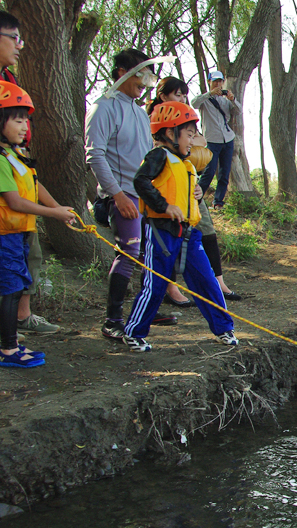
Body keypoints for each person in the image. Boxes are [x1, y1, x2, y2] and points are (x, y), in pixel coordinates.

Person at [122, 101, 238, 352]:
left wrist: (195, 192)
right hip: (162, 232)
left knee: (206, 280)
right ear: (169, 133)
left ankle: (224, 328)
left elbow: (180, 189)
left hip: (189, 235)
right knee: (156, 284)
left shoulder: (185, 163)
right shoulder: (159, 156)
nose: (193, 140)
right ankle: (134, 332)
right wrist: (164, 206)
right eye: (188, 134)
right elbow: (141, 181)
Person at [85, 49, 177, 341]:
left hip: (145, 198)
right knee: (128, 252)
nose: (145, 81)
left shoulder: (139, 112)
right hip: (121, 197)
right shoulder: (103, 108)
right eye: (140, 73)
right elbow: (95, 156)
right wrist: (118, 196)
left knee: (150, 255)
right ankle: (112, 320)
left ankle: (146, 309)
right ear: (122, 70)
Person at [0, 81, 78, 367]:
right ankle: (8, 349)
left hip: (17, 233)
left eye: (26, 120)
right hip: (5, 235)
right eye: (18, 119)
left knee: (16, 286)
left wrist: (58, 207)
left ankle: (9, 343)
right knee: (9, 289)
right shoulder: (0, 159)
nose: (24, 126)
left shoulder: (15, 156)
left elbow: (34, 185)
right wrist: (54, 214)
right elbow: (15, 202)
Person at [147, 77, 241, 306]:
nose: (182, 99)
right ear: (163, 96)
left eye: (183, 95)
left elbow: (200, 141)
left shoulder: (185, 117)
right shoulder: (155, 122)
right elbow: (146, 174)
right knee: (167, 243)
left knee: (207, 231)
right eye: (177, 95)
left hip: (191, 187)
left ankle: (219, 282)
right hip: (167, 194)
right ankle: (171, 289)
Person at [0, 10, 57, 334]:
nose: (20, 46)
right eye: (14, 38)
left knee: (26, 257)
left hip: (16, 171)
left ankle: (20, 319)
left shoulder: (9, 81)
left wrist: (55, 209)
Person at [190, 69, 239, 210]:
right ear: (209, 82)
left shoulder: (225, 101)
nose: (218, 84)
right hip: (212, 140)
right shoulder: (205, 100)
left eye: (220, 81)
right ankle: (195, 198)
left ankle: (218, 202)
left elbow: (238, 110)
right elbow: (194, 103)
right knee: (209, 172)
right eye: (215, 81)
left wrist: (232, 99)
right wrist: (209, 94)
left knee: (224, 173)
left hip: (227, 139)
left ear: (223, 82)